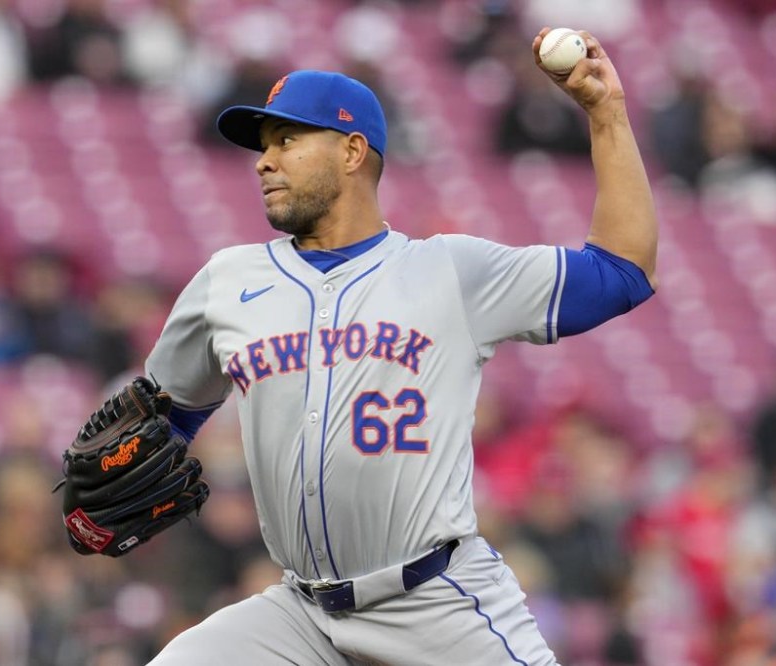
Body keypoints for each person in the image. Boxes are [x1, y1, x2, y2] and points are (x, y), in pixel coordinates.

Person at [143, 27, 657, 665]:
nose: (264, 161)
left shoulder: (451, 272)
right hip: (301, 614)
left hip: (435, 602)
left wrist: (607, 115)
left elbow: (622, 273)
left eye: (287, 139)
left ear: (352, 151)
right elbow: (166, 419)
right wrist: (128, 466)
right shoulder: (227, 281)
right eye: (264, 145)